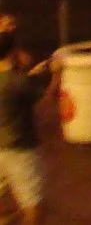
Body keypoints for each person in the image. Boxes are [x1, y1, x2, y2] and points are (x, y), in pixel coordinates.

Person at [0, 14, 52, 225]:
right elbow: (45, 102)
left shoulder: (16, 81)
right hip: (19, 149)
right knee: (35, 205)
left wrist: (29, 74)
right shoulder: (16, 82)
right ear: (12, 52)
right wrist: (55, 75)